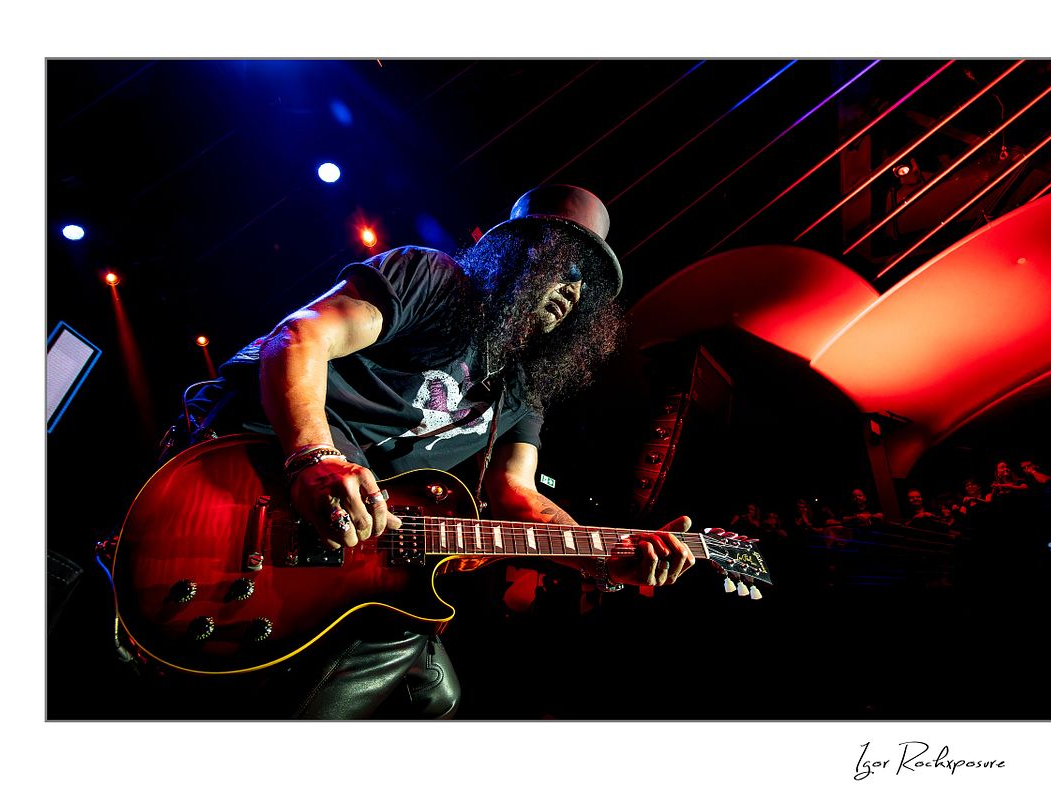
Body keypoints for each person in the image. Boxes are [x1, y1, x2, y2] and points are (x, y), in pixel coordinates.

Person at [171, 185, 695, 719]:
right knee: (391, 645)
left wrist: (605, 556)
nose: (574, 287)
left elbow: (520, 494)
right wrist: (314, 457)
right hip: (258, 461)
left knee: (436, 696)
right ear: (517, 252)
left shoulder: (525, 388)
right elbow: (301, 338)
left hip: (349, 524)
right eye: (567, 263)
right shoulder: (433, 279)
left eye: (588, 280)